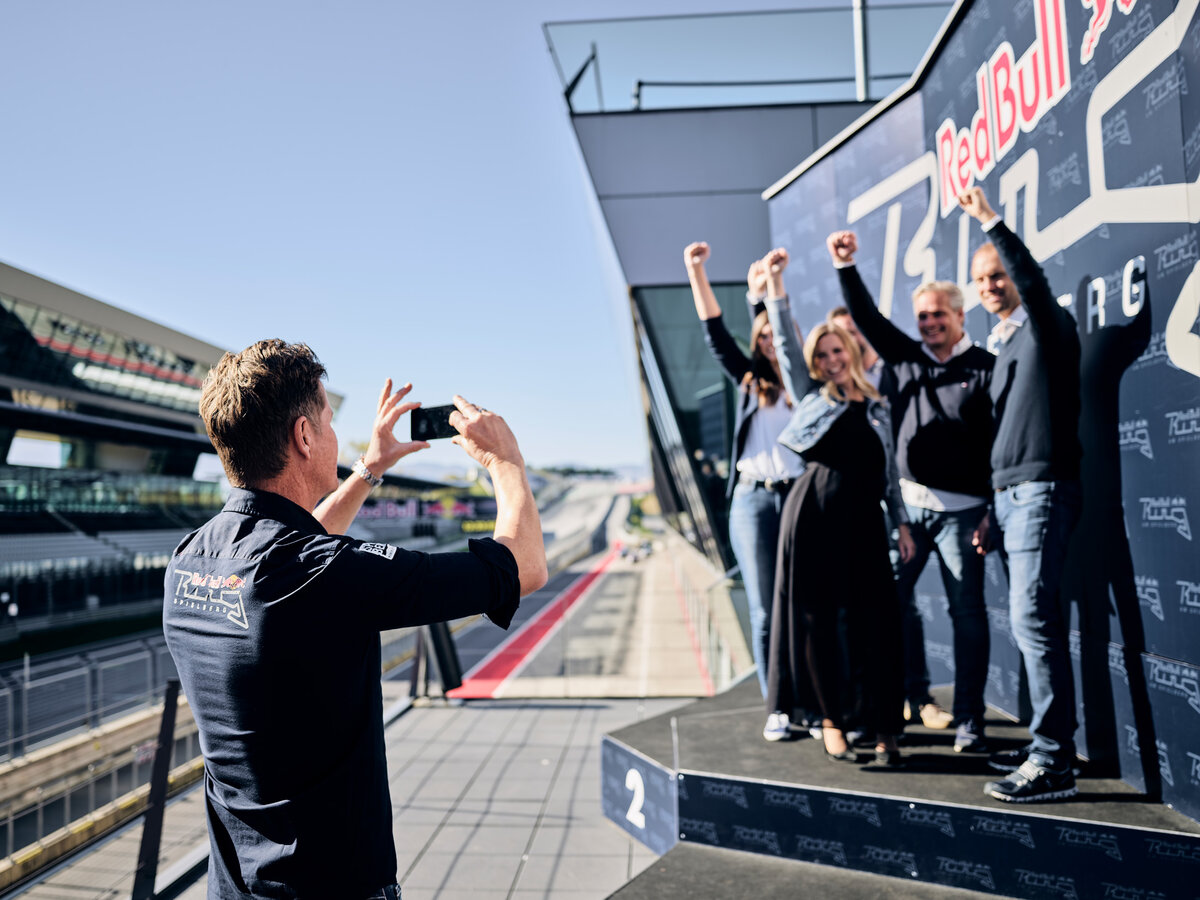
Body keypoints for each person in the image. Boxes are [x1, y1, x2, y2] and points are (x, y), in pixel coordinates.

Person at [163, 340, 548, 898]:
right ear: (303, 436)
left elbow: (294, 547)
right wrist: (506, 462)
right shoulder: (319, 574)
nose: (336, 439)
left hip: (235, 887)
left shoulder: (188, 560)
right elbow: (524, 567)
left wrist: (372, 467)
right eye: (328, 422)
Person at [827, 230, 995, 750]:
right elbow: (868, 318)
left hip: (964, 516)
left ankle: (969, 719)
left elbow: (1001, 445)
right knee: (881, 609)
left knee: (967, 617)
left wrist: (991, 510)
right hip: (907, 517)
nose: (928, 323)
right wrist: (845, 266)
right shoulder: (905, 357)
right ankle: (882, 710)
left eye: (938, 314)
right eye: (922, 316)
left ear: (960, 315)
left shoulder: (986, 368)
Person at [763, 248, 915, 765]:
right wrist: (776, 286)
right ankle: (831, 720)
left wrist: (901, 524)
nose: (831, 360)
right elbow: (786, 347)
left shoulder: (877, 406)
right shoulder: (813, 397)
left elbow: (890, 475)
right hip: (814, 517)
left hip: (865, 522)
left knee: (879, 624)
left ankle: (885, 728)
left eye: (837, 351)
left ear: (851, 350)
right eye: (822, 355)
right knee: (819, 623)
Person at [960, 187, 1083, 803]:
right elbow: (1000, 440)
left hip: (1042, 491)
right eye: (981, 278)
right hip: (1008, 500)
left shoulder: (1046, 326)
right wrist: (990, 507)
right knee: (1028, 623)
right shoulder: (1003, 347)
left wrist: (990, 221)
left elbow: (1034, 283)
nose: (990, 285)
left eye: (998, 274)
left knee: (1033, 621)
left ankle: (1054, 762)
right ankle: (1046, 744)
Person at [684, 242, 802, 732]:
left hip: (798, 500)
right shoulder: (752, 381)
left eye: (779, 333)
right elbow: (715, 333)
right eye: (764, 335)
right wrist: (696, 271)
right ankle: (778, 707)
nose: (772, 341)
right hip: (753, 499)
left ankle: (811, 701)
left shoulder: (808, 385)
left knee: (802, 605)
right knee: (765, 610)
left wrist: (769, 290)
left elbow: (783, 334)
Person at [827, 305, 886, 390]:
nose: (850, 340)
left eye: (852, 332)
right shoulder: (836, 386)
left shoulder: (896, 369)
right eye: (842, 336)